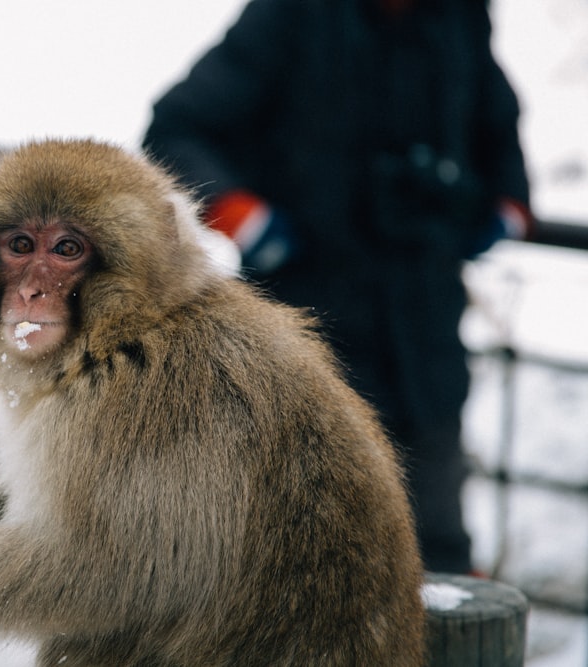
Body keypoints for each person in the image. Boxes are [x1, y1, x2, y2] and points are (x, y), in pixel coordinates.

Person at [143, 0, 533, 574]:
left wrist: (501, 210)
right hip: (305, 353)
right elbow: (176, 129)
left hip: (425, 355)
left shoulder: (458, 17)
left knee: (438, 560)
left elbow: (498, 130)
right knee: (297, 559)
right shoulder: (289, 14)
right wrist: (243, 217)